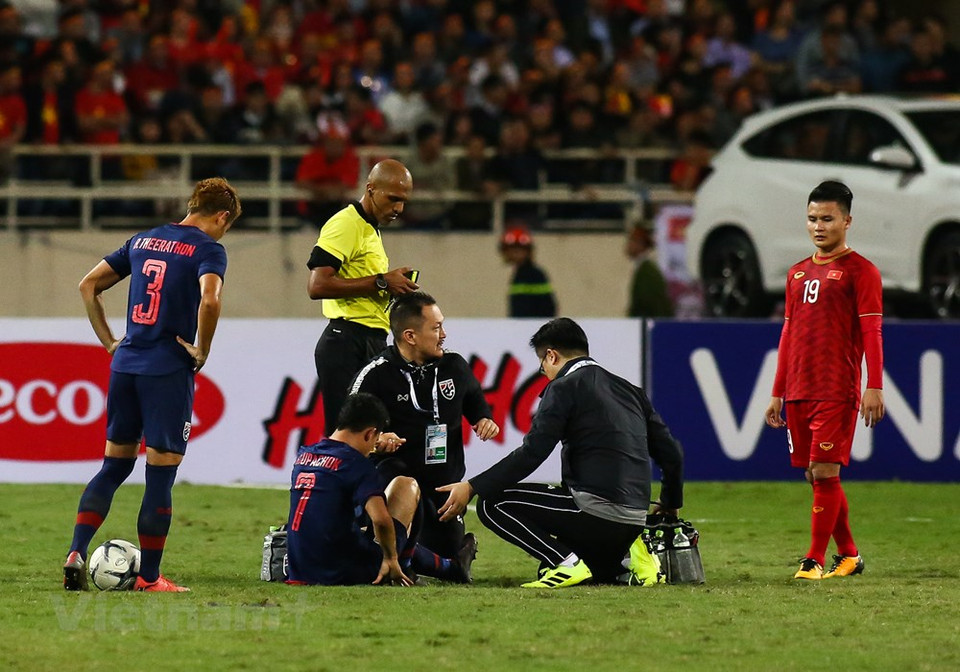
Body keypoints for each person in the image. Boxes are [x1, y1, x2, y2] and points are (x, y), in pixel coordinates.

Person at [63, 177, 242, 592]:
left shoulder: (144, 240)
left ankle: (75, 551)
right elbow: (211, 299)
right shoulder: (208, 249)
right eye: (226, 225)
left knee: (114, 466)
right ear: (220, 216)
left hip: (125, 366)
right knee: (159, 477)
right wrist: (203, 348)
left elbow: (88, 285)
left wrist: (109, 340)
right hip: (166, 370)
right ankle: (149, 577)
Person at [436, 318, 684, 588]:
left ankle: (564, 562)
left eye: (542, 362)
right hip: (634, 518)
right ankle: (628, 557)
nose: (543, 371)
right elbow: (672, 454)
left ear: (551, 355)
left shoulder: (564, 386)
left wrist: (472, 487)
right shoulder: (632, 390)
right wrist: (670, 503)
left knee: (492, 503)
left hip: (594, 511)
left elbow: (533, 453)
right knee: (590, 573)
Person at [764, 180, 884, 581]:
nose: (819, 226)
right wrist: (777, 391)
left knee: (826, 471)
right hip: (798, 388)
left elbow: (872, 333)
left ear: (847, 221)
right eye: (813, 219)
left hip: (836, 388)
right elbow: (787, 334)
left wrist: (874, 384)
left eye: (827, 219)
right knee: (815, 475)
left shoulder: (861, 272)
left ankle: (813, 560)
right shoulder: (797, 273)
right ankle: (849, 555)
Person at [350, 292, 499, 562]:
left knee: (446, 554)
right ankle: (385, 550)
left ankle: (448, 555)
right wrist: (377, 440)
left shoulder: (454, 365)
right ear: (410, 336)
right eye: (436, 327)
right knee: (394, 548)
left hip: (443, 486)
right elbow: (348, 430)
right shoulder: (375, 374)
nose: (444, 334)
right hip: (397, 482)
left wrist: (483, 419)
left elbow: (475, 399)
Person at [285, 393, 476, 586]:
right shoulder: (356, 464)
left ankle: (451, 568)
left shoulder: (304, 455)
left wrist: (373, 445)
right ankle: (407, 567)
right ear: (370, 433)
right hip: (340, 572)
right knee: (406, 486)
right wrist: (390, 559)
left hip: (299, 570)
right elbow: (381, 520)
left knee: (361, 530)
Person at [307, 159, 421, 436]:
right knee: (347, 433)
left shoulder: (369, 229)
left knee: (371, 433)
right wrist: (382, 282)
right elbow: (317, 285)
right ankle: (324, 479)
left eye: (404, 201)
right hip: (346, 340)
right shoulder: (347, 224)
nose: (399, 208)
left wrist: (393, 290)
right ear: (370, 188)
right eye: (393, 199)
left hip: (369, 340)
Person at [499, 225, 557, 318]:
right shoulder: (519, 274)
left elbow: (547, 307)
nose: (512, 253)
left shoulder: (533, 275)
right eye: (510, 250)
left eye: (517, 250)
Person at [626, 222, 674, 318]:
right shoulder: (644, 269)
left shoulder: (647, 272)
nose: (628, 245)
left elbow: (647, 303)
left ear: (640, 243)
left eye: (631, 240)